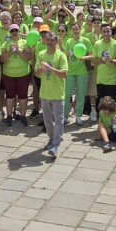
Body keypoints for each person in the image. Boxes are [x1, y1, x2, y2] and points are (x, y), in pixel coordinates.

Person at [35, 30, 69, 158]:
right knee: (47, 120)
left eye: (51, 40)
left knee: (59, 121)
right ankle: (51, 139)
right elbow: (36, 74)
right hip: (45, 93)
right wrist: (40, 70)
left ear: (56, 41)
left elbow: (64, 74)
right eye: (47, 40)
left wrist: (50, 69)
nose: (49, 42)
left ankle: (55, 145)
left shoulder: (61, 55)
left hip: (57, 93)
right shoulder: (41, 54)